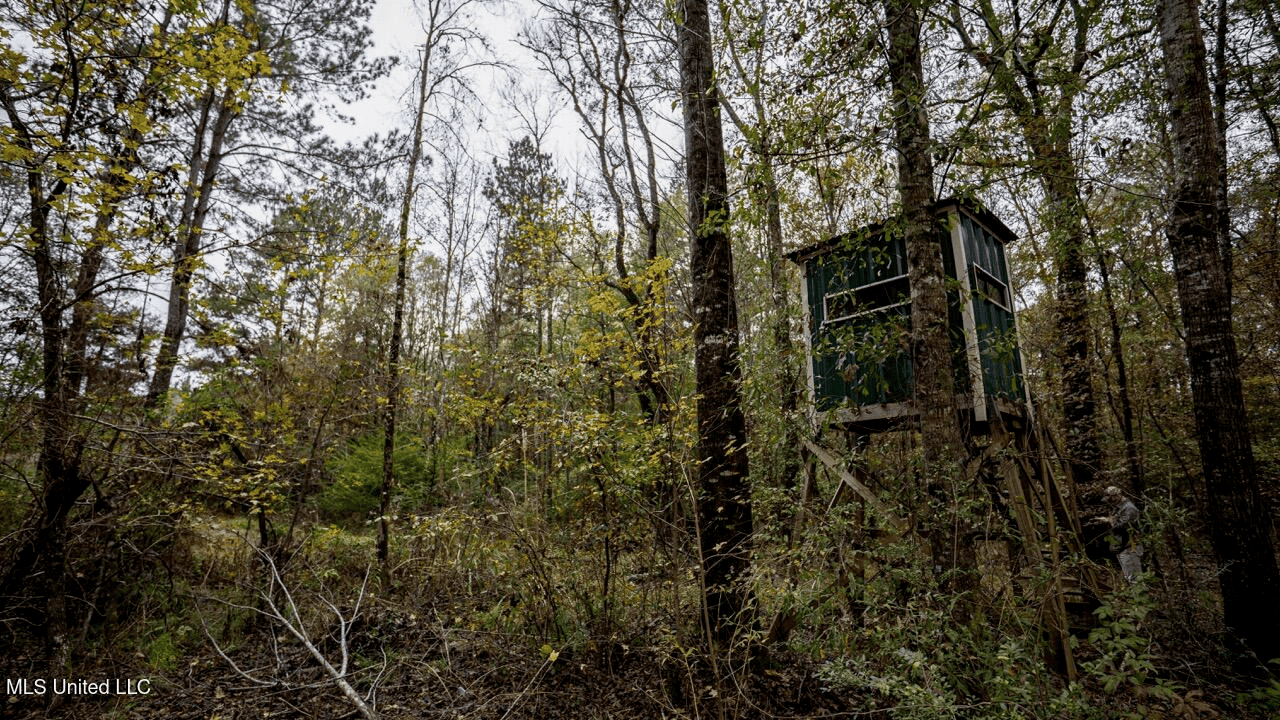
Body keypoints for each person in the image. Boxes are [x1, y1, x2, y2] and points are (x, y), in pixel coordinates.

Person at [1095, 485, 1142, 583]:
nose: (1110, 502)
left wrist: (1108, 521)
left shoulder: (1129, 509)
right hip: (1123, 548)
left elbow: (1121, 526)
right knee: (1130, 578)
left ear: (1117, 496)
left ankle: (1142, 597)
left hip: (1130, 548)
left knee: (1135, 579)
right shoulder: (1120, 507)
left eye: (1111, 499)